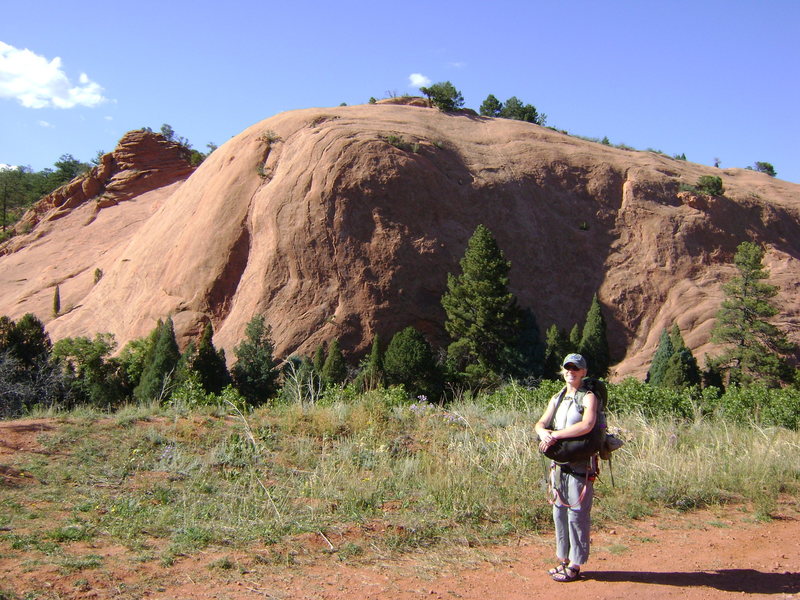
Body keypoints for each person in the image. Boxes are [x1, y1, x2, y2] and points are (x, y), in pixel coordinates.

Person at [534, 353, 598, 582]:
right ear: (562, 371)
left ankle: (575, 564)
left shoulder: (588, 397)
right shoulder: (557, 397)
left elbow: (587, 425)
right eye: (567, 368)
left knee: (577, 514)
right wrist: (543, 432)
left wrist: (555, 436)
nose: (571, 371)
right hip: (558, 464)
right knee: (559, 512)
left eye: (576, 368)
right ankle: (563, 559)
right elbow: (541, 422)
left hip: (581, 464)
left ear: (584, 372)